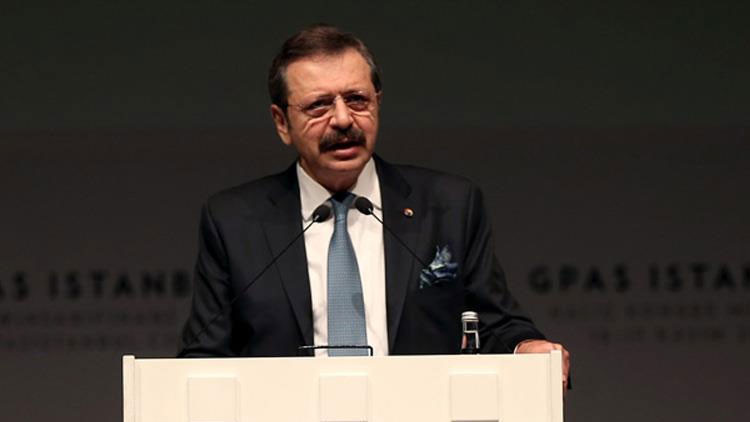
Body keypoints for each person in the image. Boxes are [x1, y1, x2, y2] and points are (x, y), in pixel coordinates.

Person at [178, 24, 570, 386]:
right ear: (282, 122)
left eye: (357, 100)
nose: (343, 119)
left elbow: (493, 321)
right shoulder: (233, 221)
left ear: (377, 103)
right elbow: (203, 355)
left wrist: (527, 347)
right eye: (319, 106)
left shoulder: (448, 205)